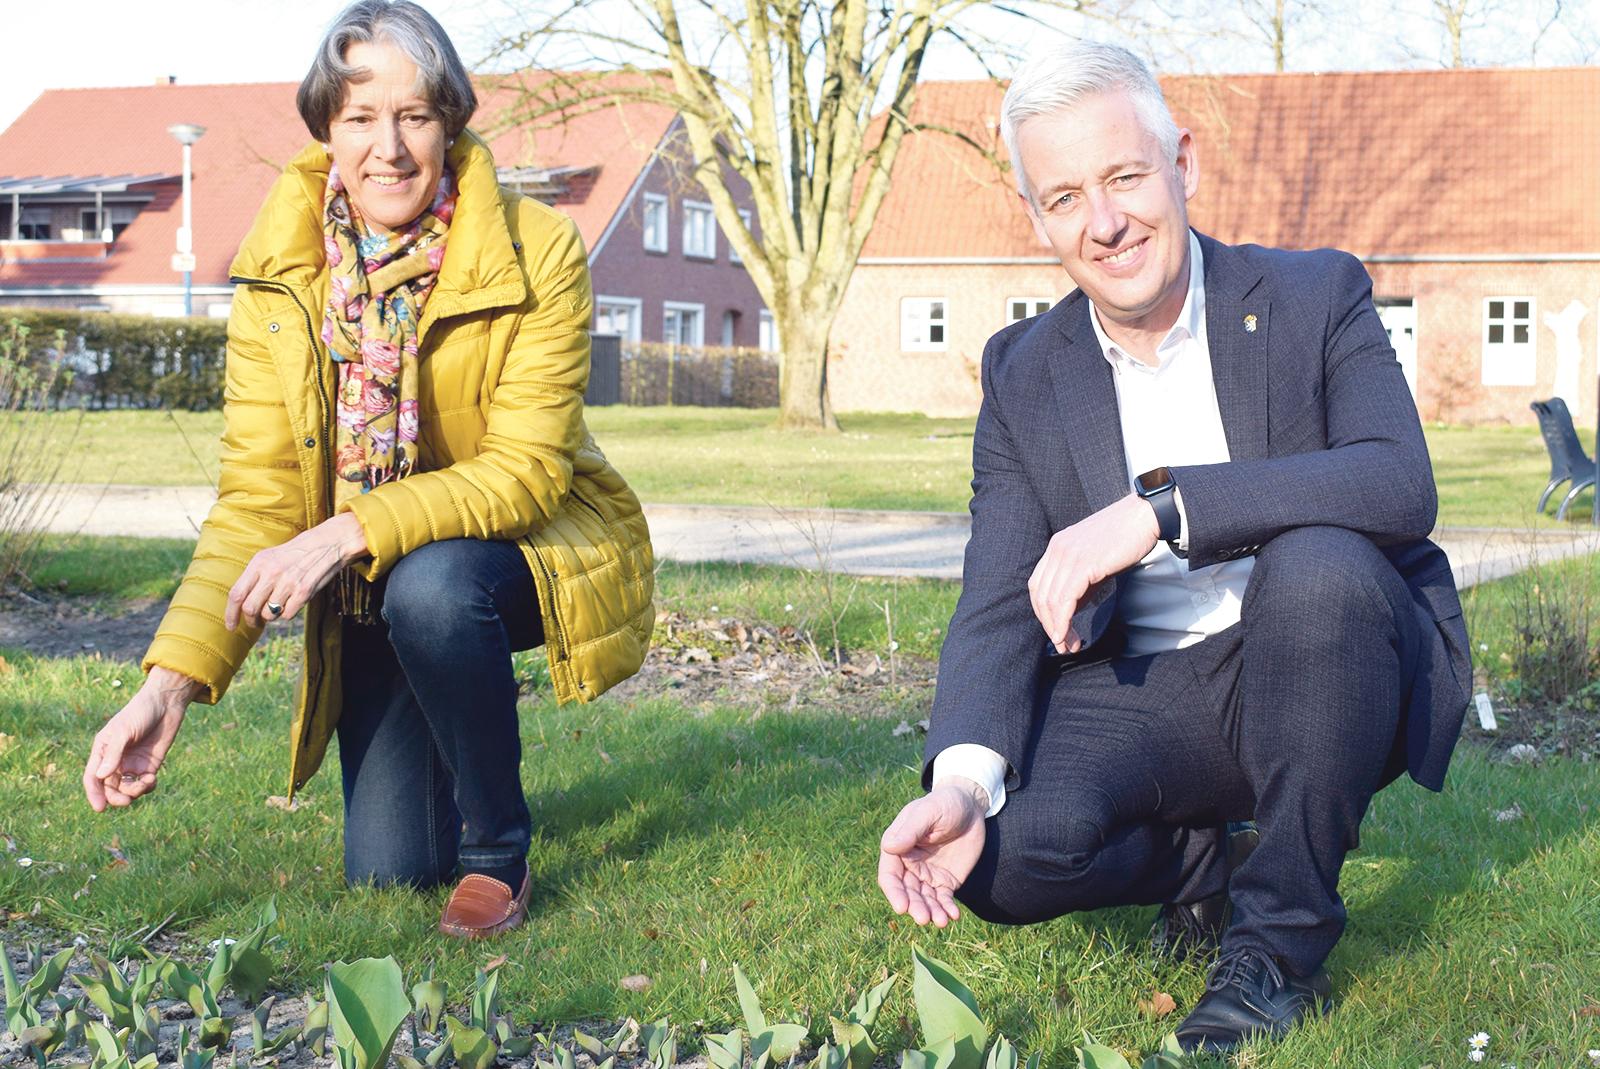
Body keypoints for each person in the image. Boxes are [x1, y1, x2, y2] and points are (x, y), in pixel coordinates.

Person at [876, 42, 1470, 1053]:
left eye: (1124, 177)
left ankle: (1276, 945)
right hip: (1153, 692)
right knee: (996, 858)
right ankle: (1209, 860)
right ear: (1036, 216)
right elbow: (996, 596)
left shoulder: (1313, 294)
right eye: (1065, 197)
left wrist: (1160, 508)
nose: (1104, 222)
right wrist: (958, 783)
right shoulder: (1023, 369)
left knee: (1316, 570)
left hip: (1325, 660)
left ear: (1181, 163)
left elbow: (1395, 482)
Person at [79, 0, 654, 940]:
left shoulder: (538, 246)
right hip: (373, 585)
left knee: (435, 588)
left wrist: (347, 530)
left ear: (450, 123)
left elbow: (525, 472)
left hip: (524, 550)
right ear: (326, 131)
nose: (388, 147)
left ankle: (497, 855)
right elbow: (258, 499)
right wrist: (167, 683)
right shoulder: (280, 275)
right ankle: (448, 737)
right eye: (360, 117)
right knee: (390, 868)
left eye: (414, 115)